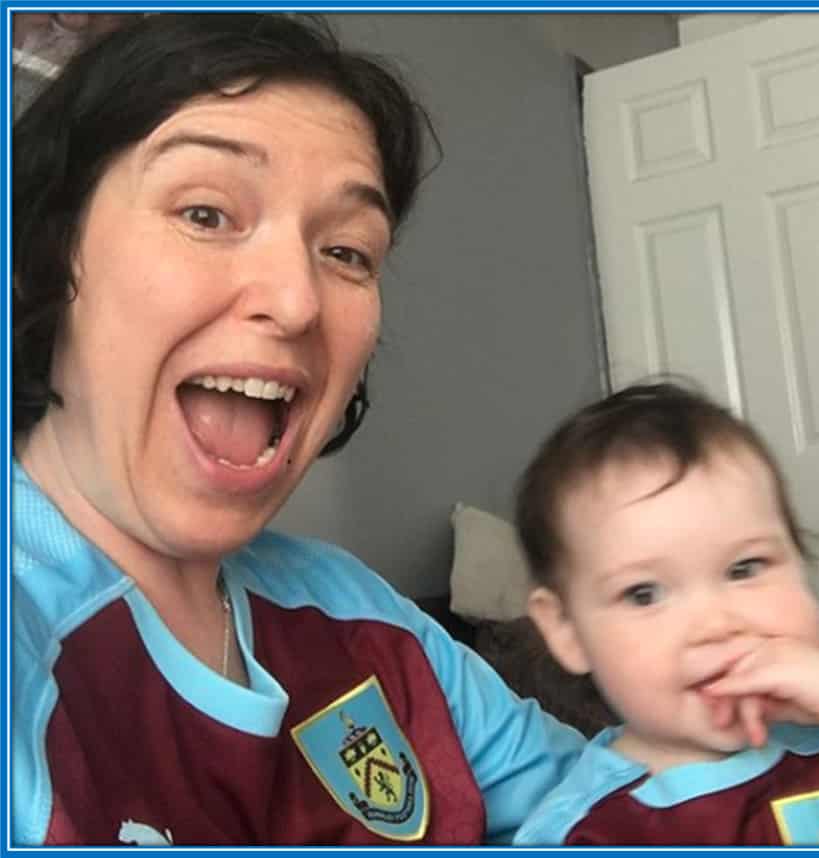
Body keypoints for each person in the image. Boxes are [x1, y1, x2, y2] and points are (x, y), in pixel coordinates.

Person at [11, 13, 587, 845]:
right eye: (206, 213)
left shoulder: (354, 611)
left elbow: (601, 815)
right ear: (45, 256)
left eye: (349, 252)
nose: (297, 301)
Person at [510, 382, 819, 846]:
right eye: (644, 594)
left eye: (744, 568)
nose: (716, 625)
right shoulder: (587, 833)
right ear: (566, 630)